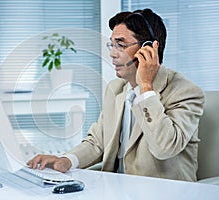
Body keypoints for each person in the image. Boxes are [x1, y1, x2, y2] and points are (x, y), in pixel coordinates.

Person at [27, 8, 205, 182]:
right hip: (117, 191)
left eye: (121, 45)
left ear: (149, 48)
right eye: (112, 45)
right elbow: (98, 141)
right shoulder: (116, 89)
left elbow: (164, 148)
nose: (112, 54)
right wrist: (65, 161)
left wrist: (145, 87)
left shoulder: (185, 92)